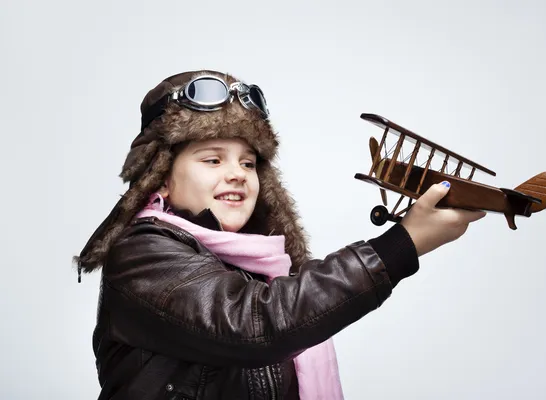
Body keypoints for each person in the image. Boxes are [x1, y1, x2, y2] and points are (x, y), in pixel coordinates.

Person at [75, 69, 486, 400]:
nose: (237, 172)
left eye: (249, 163)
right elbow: (256, 323)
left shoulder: (260, 268)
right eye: (213, 159)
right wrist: (401, 244)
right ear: (160, 179)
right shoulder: (142, 254)